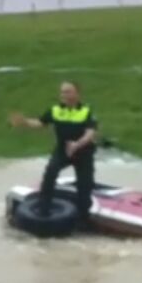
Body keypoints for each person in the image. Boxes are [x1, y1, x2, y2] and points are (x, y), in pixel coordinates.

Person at [9, 81, 99, 221]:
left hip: (83, 151)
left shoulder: (86, 111)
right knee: (50, 173)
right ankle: (43, 210)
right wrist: (24, 122)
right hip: (62, 150)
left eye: (68, 92)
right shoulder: (55, 110)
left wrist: (77, 144)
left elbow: (90, 133)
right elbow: (40, 122)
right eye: (62, 92)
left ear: (77, 94)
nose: (64, 95)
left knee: (85, 185)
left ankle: (83, 218)